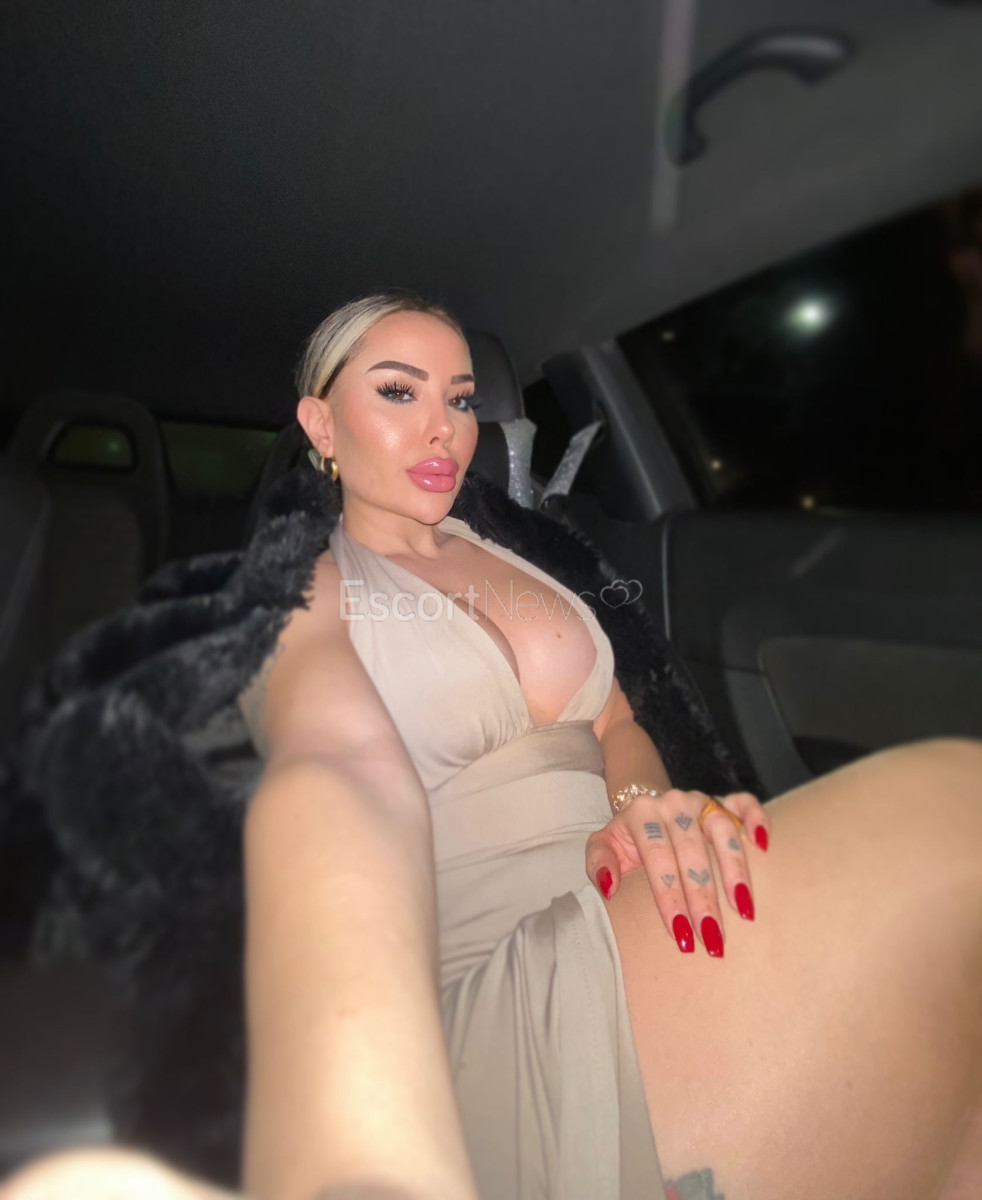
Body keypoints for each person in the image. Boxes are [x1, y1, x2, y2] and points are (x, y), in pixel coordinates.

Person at [3, 292, 981, 1200]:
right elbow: (335, 777)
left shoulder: (520, 553)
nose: (445, 428)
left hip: (624, 898)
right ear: (320, 426)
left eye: (461, 398)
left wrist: (647, 815)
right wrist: (354, 1152)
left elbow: (615, 721)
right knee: (955, 813)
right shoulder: (294, 591)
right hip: (491, 990)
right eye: (399, 392)